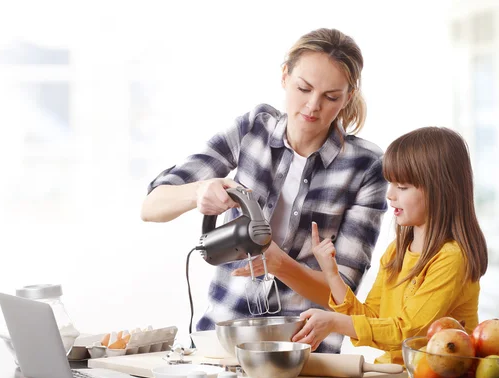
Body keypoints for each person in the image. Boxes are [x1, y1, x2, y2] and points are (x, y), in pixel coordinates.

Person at [141, 28, 388, 353]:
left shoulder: (366, 167)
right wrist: (200, 190)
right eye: (304, 88)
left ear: (348, 95)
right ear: (285, 76)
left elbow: (343, 292)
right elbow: (151, 206)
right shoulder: (252, 130)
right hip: (222, 342)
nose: (313, 106)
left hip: (305, 355)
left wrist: (278, 262)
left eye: (331, 97)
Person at [292, 127, 488, 363]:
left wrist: (334, 322)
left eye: (402, 187)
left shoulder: (452, 258)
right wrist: (331, 273)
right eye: (391, 183)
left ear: (440, 190)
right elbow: (373, 317)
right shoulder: (397, 251)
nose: (390, 194)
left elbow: (407, 333)